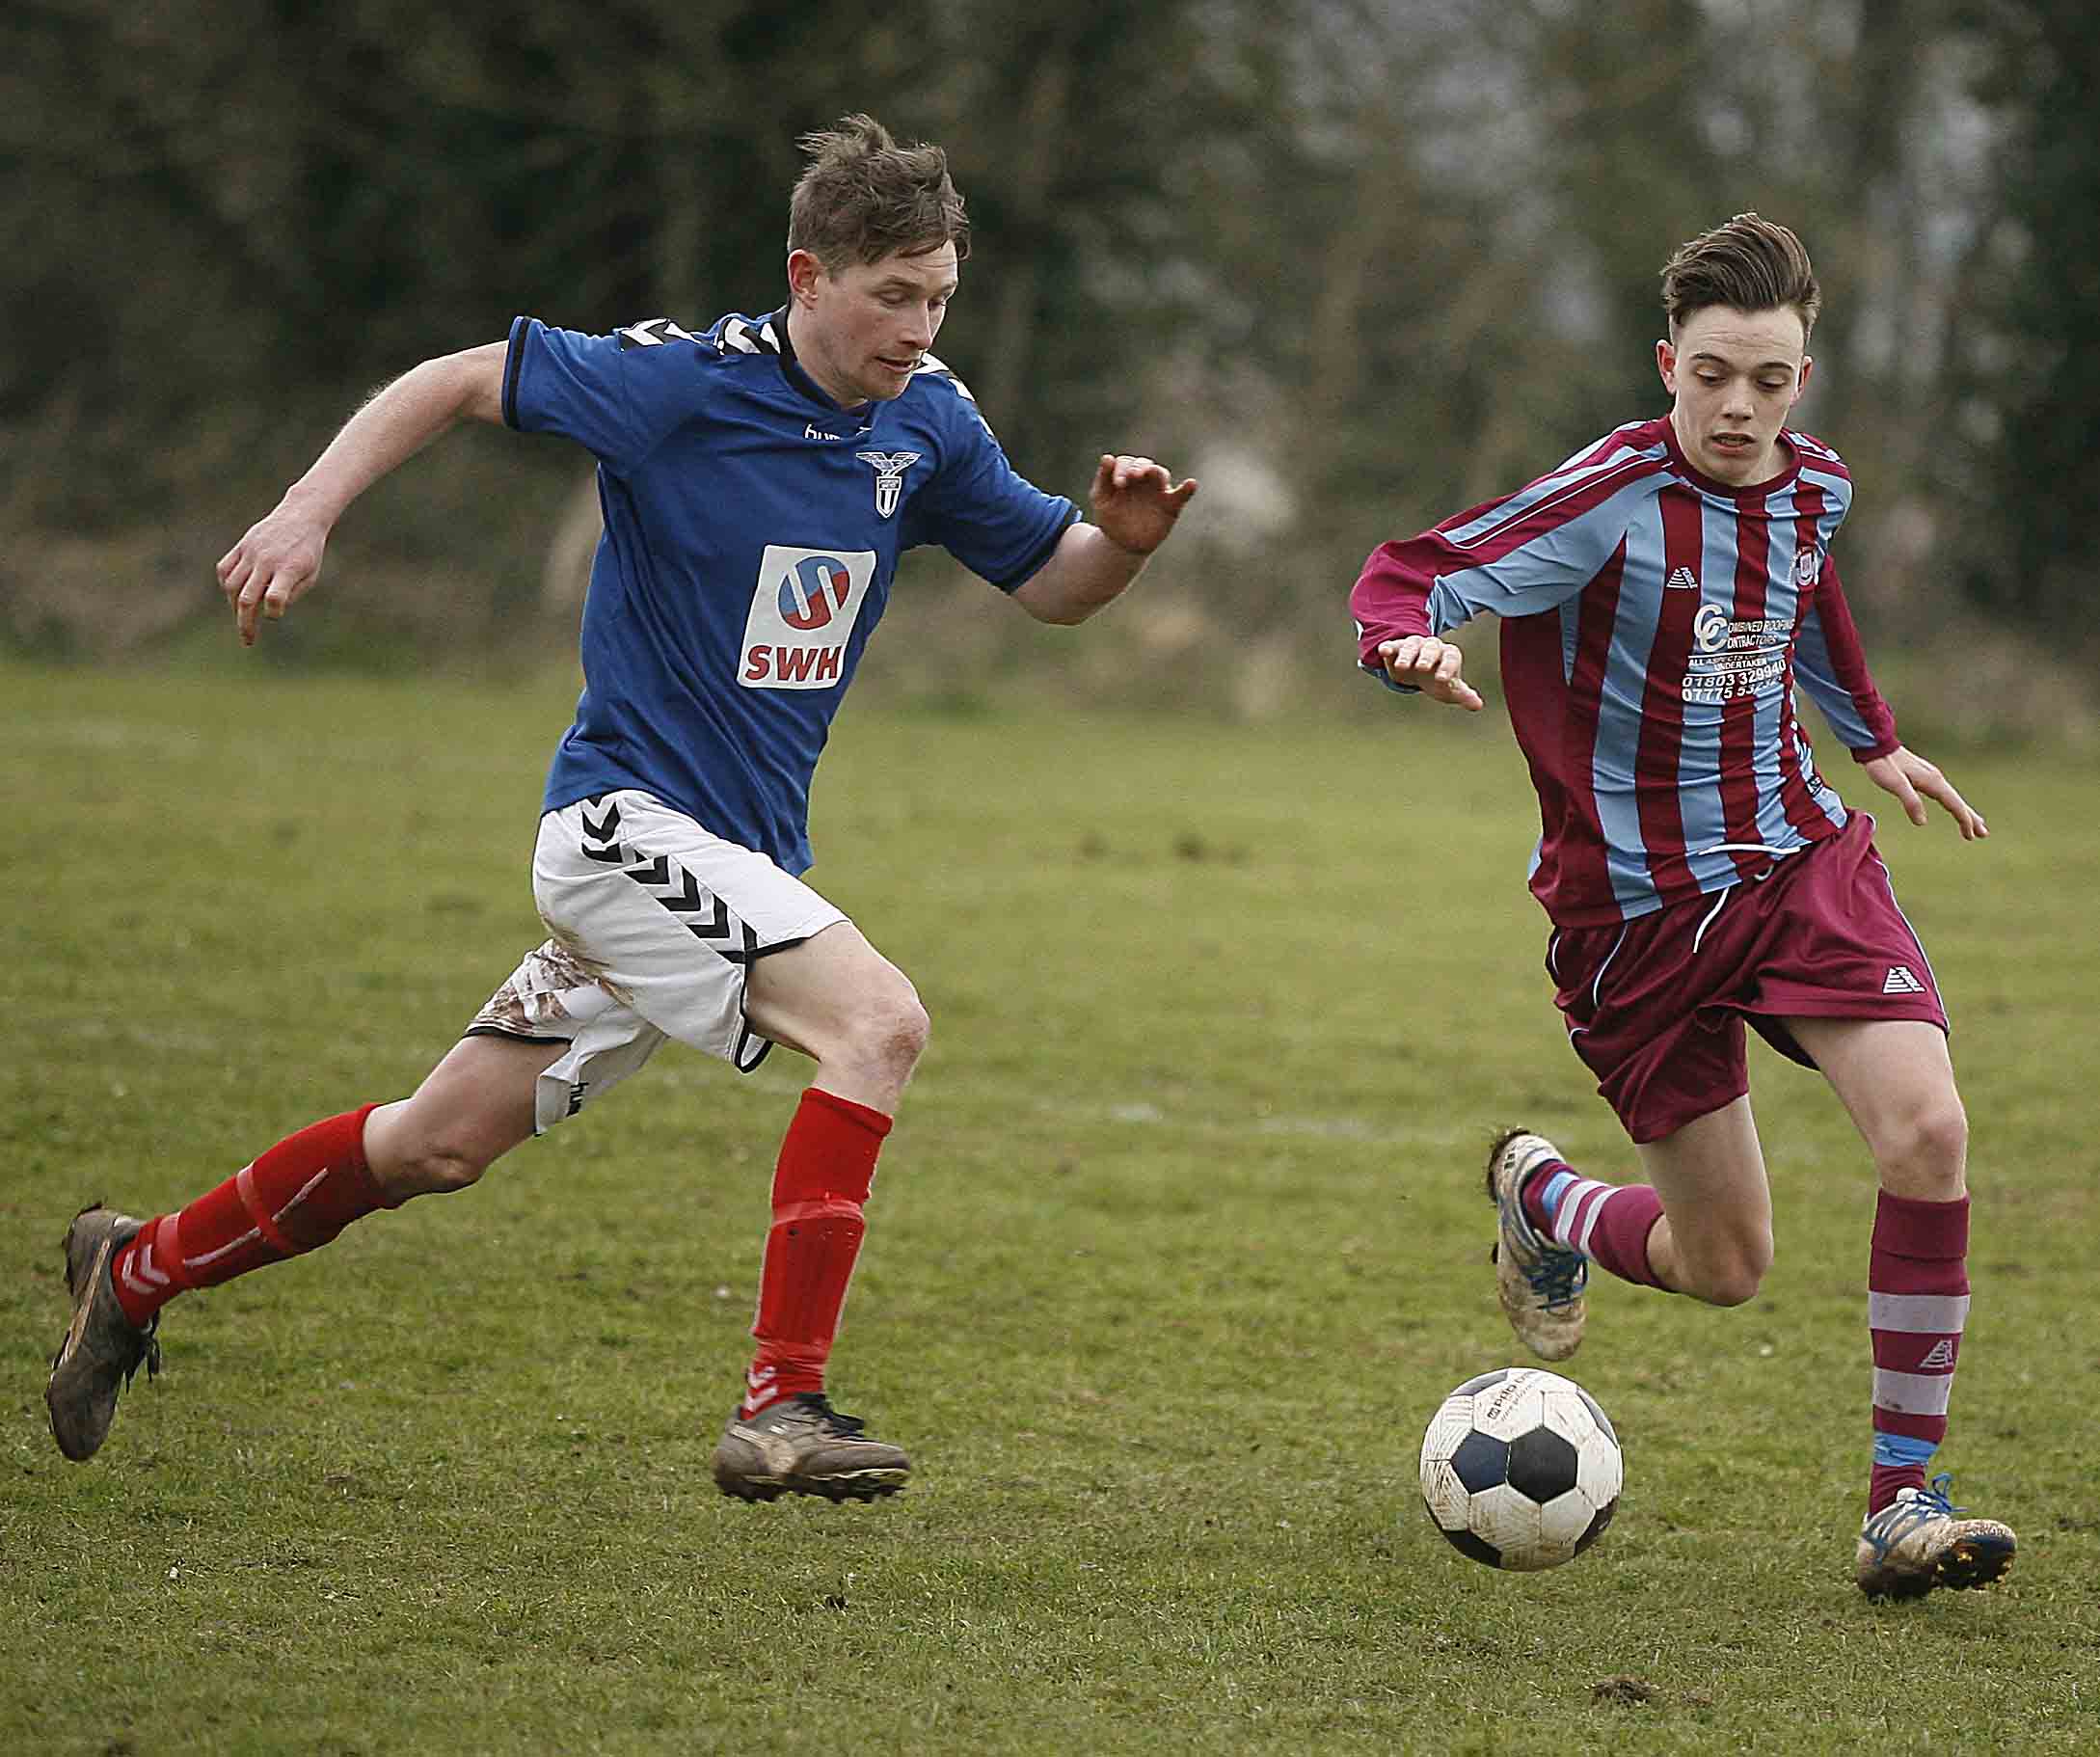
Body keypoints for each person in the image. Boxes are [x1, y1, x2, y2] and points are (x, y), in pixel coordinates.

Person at [45, 115, 1196, 1502]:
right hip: (622, 828)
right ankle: (783, 1403)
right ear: (808, 275)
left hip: (723, 858)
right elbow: (456, 379)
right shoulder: (682, 385)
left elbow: (1053, 580)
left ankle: (138, 1264)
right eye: (893, 295)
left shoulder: (929, 421)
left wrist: (1122, 545)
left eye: (938, 294)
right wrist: (306, 510)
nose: (917, 323)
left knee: (436, 1142)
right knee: (877, 1020)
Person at [1349, 213, 2013, 1599]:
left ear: (1800, 382)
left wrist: (1872, 737)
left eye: (1767, 380)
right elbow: (1422, 566)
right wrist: (1402, 642)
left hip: (1793, 867)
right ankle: (1544, 1195)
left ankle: (1903, 1502)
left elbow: (1808, 596)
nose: (1736, 406)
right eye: (1712, 373)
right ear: (1667, 363)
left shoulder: (1809, 485)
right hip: (1631, 918)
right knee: (1722, 1266)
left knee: (1928, 1128)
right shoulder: (1607, 494)